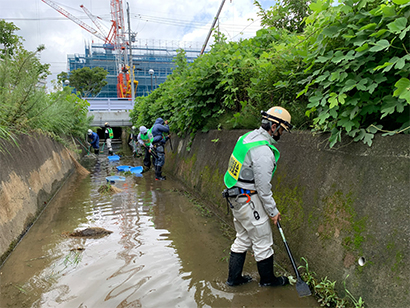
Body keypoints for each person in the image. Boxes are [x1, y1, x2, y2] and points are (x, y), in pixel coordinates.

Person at [223, 106, 293, 287]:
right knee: (263, 241)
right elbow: (263, 189)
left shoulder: (246, 138)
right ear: (274, 127)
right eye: (282, 130)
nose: (282, 134)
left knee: (243, 238)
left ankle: (234, 279)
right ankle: (269, 281)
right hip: (248, 200)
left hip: (235, 196)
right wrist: (273, 212)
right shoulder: (263, 151)